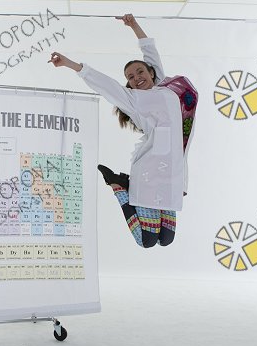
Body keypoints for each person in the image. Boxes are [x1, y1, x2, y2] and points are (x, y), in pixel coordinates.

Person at [49, 14, 197, 248]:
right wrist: (71, 65)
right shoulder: (134, 99)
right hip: (150, 172)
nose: (137, 78)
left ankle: (125, 187)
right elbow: (104, 85)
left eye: (140, 72)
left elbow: (150, 53)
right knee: (146, 240)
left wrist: (134, 25)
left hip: (172, 174)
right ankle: (119, 186)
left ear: (151, 73)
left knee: (166, 239)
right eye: (130, 77)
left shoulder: (163, 86)